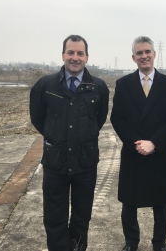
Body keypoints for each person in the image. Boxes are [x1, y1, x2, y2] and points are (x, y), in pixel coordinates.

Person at [30, 35, 109, 251]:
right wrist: (55, 138)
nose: (75, 58)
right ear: (63, 55)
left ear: (87, 57)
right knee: (54, 218)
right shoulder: (45, 85)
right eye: (71, 53)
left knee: (82, 216)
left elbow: (99, 120)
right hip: (55, 162)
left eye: (80, 53)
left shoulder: (98, 87)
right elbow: (38, 118)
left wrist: (82, 138)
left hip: (86, 163)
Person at [110, 36, 166, 251]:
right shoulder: (123, 85)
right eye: (139, 53)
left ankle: (159, 243)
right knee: (129, 201)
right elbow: (117, 118)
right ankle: (131, 242)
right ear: (134, 58)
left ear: (154, 54)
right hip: (133, 151)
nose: (144, 56)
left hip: (158, 151)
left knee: (160, 202)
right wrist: (137, 143)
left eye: (147, 52)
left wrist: (154, 143)